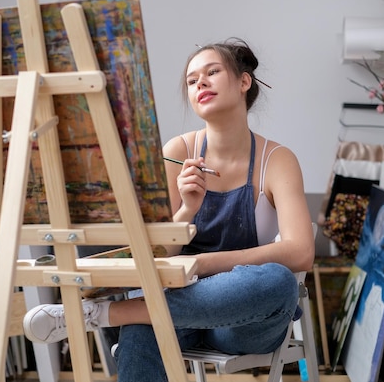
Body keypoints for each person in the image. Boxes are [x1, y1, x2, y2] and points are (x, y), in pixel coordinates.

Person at [22, 38, 315, 382]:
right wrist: (186, 211)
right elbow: (161, 254)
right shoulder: (178, 150)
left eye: (212, 72)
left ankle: (107, 313)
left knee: (278, 282)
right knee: (142, 331)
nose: (200, 83)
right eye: (192, 81)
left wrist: (202, 264)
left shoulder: (276, 160)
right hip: (174, 310)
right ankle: (122, 314)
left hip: (241, 322)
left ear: (243, 82)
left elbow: (300, 252)